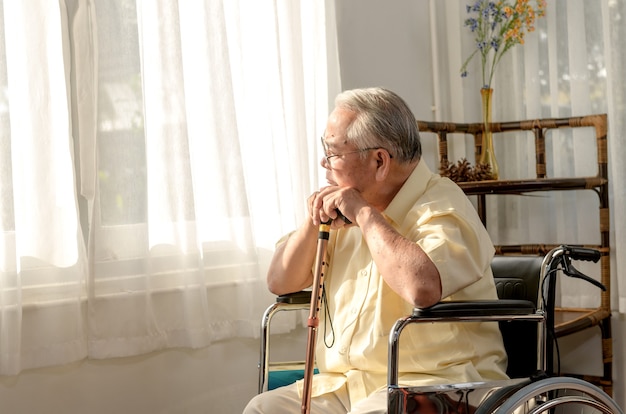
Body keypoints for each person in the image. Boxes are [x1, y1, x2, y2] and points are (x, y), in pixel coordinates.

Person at [243, 87, 507, 414]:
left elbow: (421, 287)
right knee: (263, 409)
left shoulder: (442, 203)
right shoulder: (344, 208)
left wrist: (366, 215)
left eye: (333, 152)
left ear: (379, 160)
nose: (324, 163)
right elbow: (279, 281)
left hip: (435, 384)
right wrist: (313, 223)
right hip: (349, 384)